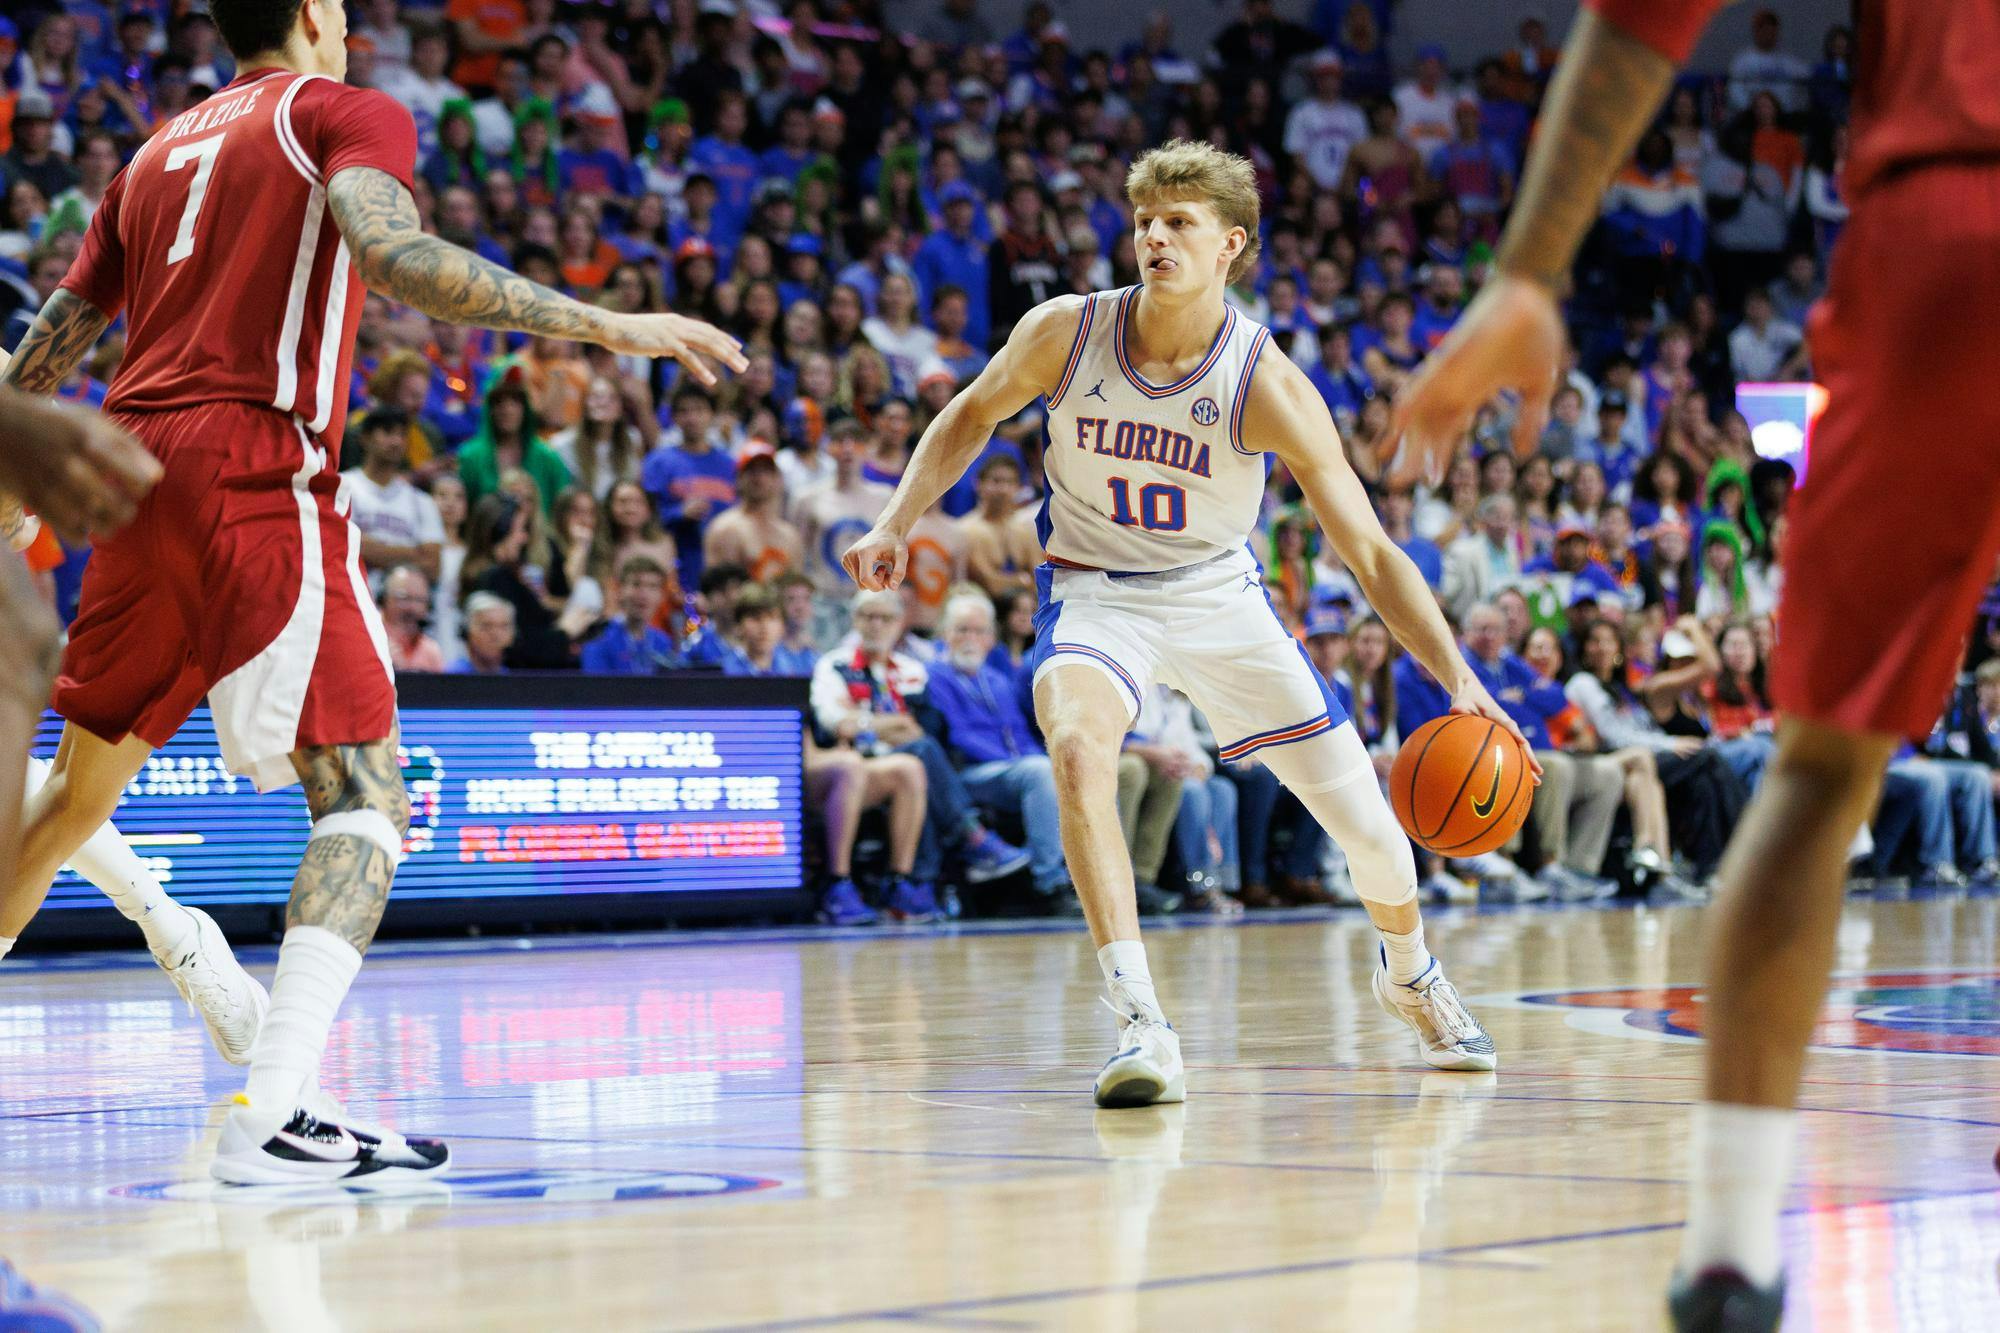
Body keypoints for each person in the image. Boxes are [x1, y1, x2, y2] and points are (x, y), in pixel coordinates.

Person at [0, 0, 744, 1187]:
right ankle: (273, 1111)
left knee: (70, 802)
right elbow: (399, 259)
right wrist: (610, 323)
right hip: (252, 464)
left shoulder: (154, 151)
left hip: (130, 468)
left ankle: (281, 1098)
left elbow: (56, 337)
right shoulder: (338, 109)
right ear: (311, 14)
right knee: (365, 800)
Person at [1382, 0, 2000, 1295]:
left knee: (1821, 779)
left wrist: (1529, 268)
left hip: (1946, 229)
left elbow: (1641, 20)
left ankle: (1727, 1262)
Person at [844, 139, 1527, 1109]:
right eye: (1143, 222)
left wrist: (1459, 681)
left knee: (1373, 835)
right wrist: (893, 519)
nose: (1154, 237)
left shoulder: (1265, 381)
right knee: (1078, 747)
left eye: (1179, 224)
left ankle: (1409, 973)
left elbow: (1371, 552)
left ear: (1230, 246)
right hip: (1095, 592)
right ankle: (1139, 1021)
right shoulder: (1063, 333)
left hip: (1218, 597)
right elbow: (966, 414)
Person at [809, 589, 1031, 920]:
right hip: (853, 764)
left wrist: (864, 722)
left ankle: (910, 882)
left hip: (902, 762)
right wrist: (885, 724)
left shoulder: (912, 670)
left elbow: (920, 728)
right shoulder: (834, 664)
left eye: (885, 618)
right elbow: (833, 725)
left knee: (919, 761)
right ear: (855, 621)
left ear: (900, 624)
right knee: (922, 757)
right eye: (868, 616)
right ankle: (968, 836)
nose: (876, 625)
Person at [725, 582, 928, 926]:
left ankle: (899, 882)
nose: (762, 628)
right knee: (848, 764)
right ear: (738, 625)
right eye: (752, 619)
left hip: (805, 759)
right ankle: (838, 883)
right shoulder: (724, 667)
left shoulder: (796, 661)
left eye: (770, 618)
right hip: (755, 765)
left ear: (781, 623)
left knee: (907, 767)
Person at [924, 592, 1076, 912]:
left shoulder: (996, 680)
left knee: (1075, 771)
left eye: (979, 631)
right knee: (1037, 772)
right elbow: (957, 735)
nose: (970, 639)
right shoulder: (934, 675)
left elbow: (1020, 733)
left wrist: (1052, 761)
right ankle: (1049, 881)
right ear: (944, 634)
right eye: (962, 630)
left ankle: (1094, 877)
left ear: (991, 639)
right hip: (967, 772)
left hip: (1011, 769)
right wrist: (1021, 762)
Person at [341, 407, 444, 591]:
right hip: (350, 594)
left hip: (402, 604)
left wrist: (369, 548)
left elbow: (433, 566)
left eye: (402, 435)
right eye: (388, 432)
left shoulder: (421, 501)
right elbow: (338, 545)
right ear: (365, 438)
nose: (396, 441)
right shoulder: (342, 486)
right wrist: (412, 553)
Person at [702, 441, 802, 584]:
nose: (759, 478)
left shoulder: (790, 536)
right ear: (739, 478)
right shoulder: (725, 529)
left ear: (778, 479)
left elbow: (797, 587)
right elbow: (718, 590)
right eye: (752, 471)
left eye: (766, 470)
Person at [579, 554, 682, 674]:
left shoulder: (664, 643)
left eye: (652, 586)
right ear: (620, 590)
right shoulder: (600, 641)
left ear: (661, 596)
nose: (644, 595)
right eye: (636, 584)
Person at [378, 564, 446, 672]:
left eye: (419, 600)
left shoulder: (431, 651)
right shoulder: (368, 641)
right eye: (404, 598)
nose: (411, 608)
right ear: (383, 599)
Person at [449, 591, 515, 674]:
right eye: (486, 626)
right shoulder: (451, 676)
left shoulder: (511, 679)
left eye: (504, 626)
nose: (496, 634)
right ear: (467, 632)